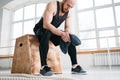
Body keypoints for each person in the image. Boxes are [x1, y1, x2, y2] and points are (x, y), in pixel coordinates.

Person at [33, 0, 86, 76]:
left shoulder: (68, 12)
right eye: (68, 5)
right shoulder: (52, 5)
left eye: (71, 7)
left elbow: (67, 27)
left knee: (69, 37)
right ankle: (43, 67)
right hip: (40, 29)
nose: (69, 8)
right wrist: (61, 33)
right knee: (47, 31)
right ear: (64, 1)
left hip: (52, 32)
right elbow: (46, 24)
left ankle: (75, 66)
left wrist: (66, 34)